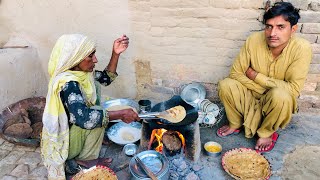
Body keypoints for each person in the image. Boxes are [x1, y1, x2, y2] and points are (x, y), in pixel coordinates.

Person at [217, 2, 312, 153]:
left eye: (280, 27)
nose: (272, 33)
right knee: (226, 84)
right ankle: (235, 123)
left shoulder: (302, 48)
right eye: (269, 26)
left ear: (293, 29)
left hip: (275, 103)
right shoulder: (254, 40)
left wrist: (256, 76)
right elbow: (235, 73)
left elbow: (293, 89)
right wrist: (266, 88)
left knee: (280, 96)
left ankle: (266, 132)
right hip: (251, 97)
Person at [41, 34, 140, 179]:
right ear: (76, 59)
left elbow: (105, 79)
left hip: (76, 133)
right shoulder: (68, 84)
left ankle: (87, 155)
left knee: (99, 113)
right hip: (65, 143)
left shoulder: (82, 74)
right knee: (97, 113)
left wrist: (115, 53)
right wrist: (121, 114)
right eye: (90, 56)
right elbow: (84, 118)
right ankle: (83, 161)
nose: (95, 60)